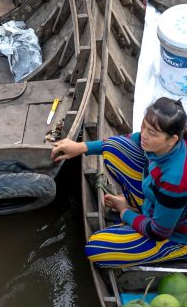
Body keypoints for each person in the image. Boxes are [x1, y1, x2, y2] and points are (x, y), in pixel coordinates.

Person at [51, 97, 187, 267]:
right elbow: (130, 139)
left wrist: (125, 212)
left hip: (175, 234)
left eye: (152, 133)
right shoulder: (164, 144)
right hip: (156, 205)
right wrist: (81, 147)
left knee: (96, 248)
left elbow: (158, 232)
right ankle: (139, 213)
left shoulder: (176, 179)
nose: (144, 134)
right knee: (115, 148)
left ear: (172, 139)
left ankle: (177, 251)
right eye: (144, 126)